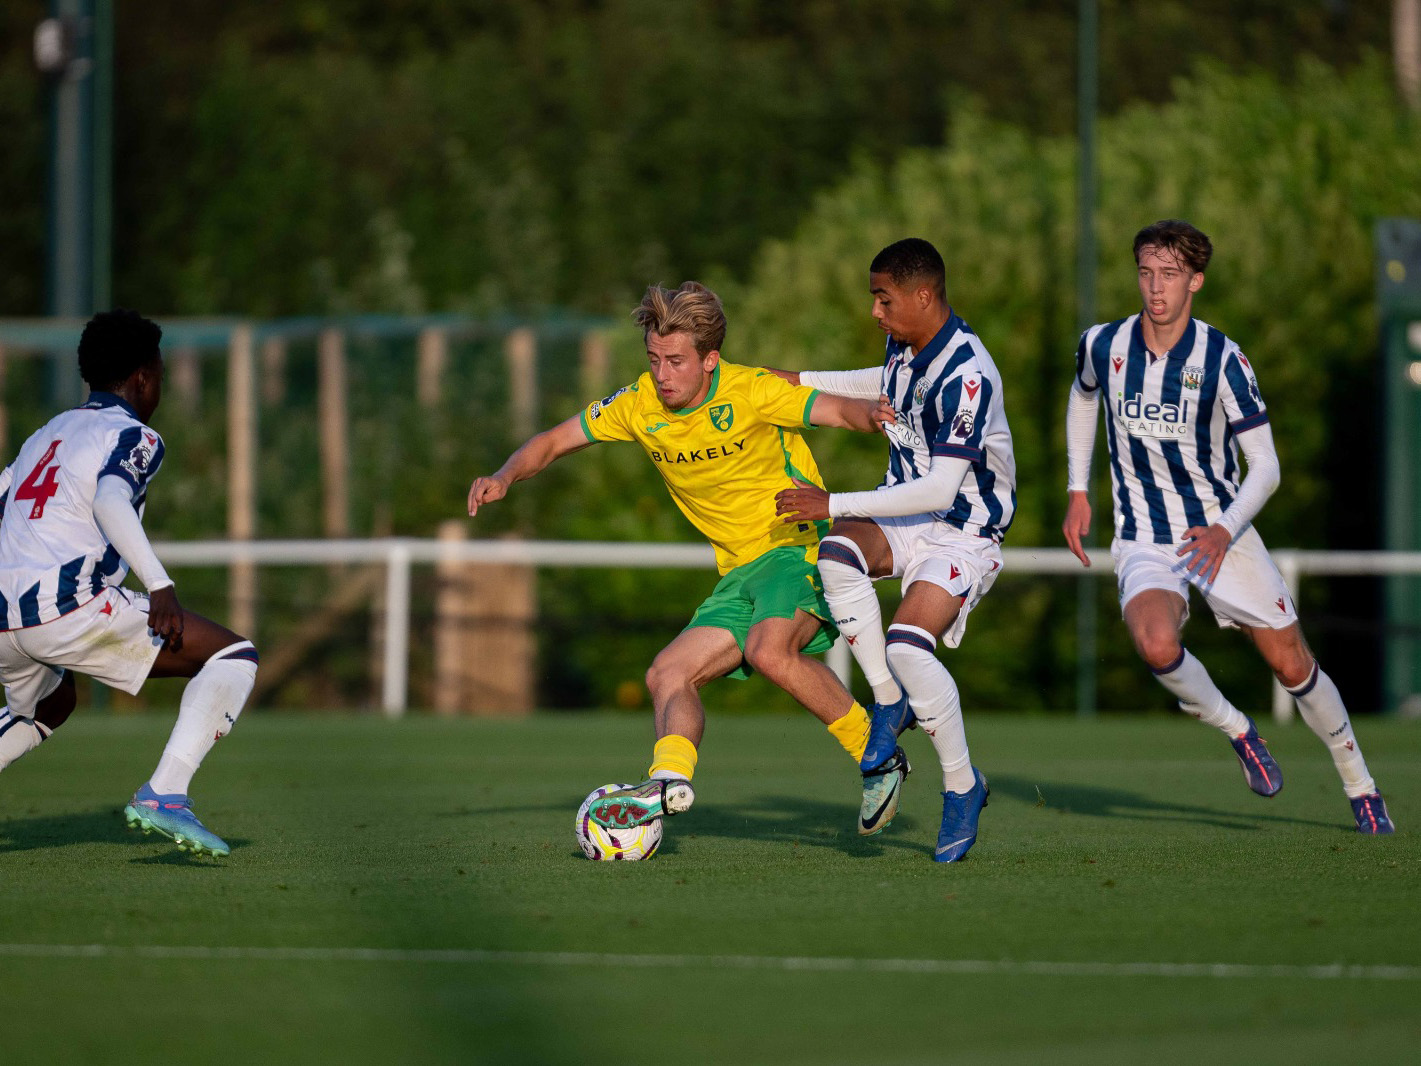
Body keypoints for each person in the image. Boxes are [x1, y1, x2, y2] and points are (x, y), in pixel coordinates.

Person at [467, 282, 895, 834]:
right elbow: (551, 442)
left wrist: (878, 415)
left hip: (797, 552)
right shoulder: (638, 405)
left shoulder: (751, 391)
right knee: (667, 672)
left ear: (709, 359)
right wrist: (504, 476)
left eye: (675, 361)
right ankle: (669, 780)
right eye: (653, 359)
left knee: (770, 652)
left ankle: (878, 752)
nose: (662, 374)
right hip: (738, 574)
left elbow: (839, 411)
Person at [1062, 219, 1392, 834]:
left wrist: (1222, 528)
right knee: (1156, 643)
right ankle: (1238, 729)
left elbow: (1265, 467)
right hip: (1144, 535)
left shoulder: (1223, 357)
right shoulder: (1102, 344)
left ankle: (1361, 784)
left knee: (1293, 666)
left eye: (1169, 275)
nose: (1155, 288)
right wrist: (1078, 489)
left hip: (1220, 532)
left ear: (1196, 281)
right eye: (1145, 272)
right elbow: (1083, 397)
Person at [772, 238, 1016, 862]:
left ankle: (962, 787)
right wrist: (797, 383)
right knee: (837, 556)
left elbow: (941, 485)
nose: (876, 312)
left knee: (910, 645)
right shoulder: (906, 344)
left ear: (923, 295)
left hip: (965, 527)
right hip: (909, 512)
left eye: (884, 299)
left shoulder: (967, 374)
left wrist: (830, 503)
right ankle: (886, 697)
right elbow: (883, 381)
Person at [0, 309, 260, 857]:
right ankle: (165, 794)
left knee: (47, 706)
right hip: (64, 610)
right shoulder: (134, 435)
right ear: (143, 376)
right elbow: (111, 499)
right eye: (159, 374)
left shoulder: (44, 436)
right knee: (234, 655)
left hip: (4, 624)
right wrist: (159, 584)